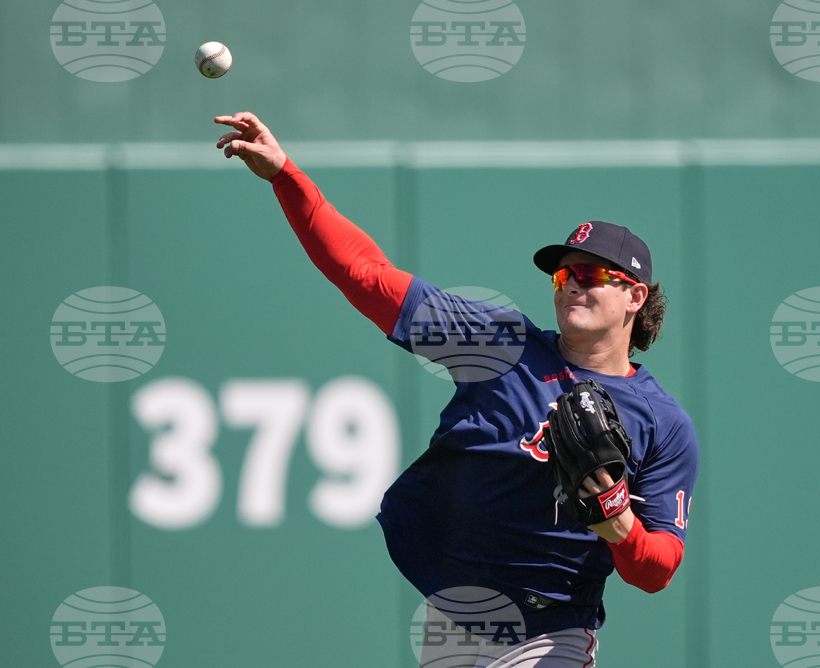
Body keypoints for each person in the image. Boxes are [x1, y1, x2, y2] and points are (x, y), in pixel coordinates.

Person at [215, 112, 699, 667]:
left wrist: (621, 526)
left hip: (551, 631)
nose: (571, 287)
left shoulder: (662, 422)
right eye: (564, 277)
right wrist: (285, 176)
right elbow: (366, 274)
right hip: (454, 618)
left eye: (590, 276)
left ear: (635, 297)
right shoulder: (501, 345)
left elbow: (658, 568)